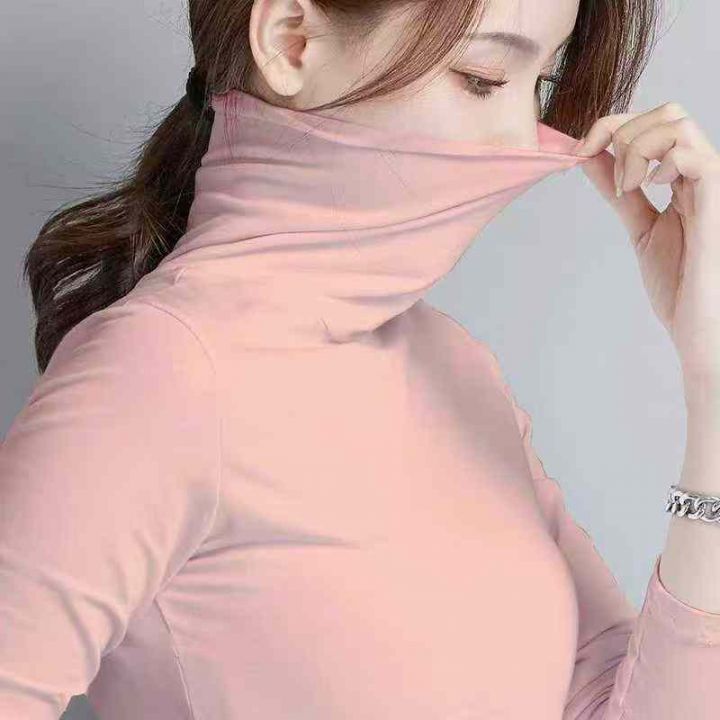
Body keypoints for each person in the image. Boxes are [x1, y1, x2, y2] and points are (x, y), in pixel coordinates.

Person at [2, 0, 720, 718]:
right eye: (482, 77)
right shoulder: (158, 373)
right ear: (291, 40)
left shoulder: (454, 366)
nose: (522, 131)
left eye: (542, 84)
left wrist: (712, 378)